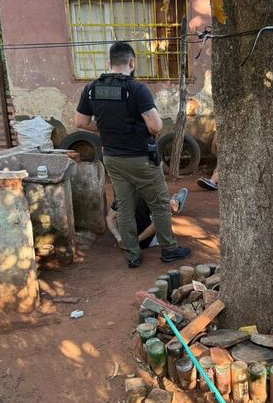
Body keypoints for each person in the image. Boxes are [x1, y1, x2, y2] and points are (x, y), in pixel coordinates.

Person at [74, 42, 191, 268]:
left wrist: (105, 128)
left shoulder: (91, 89)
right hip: (141, 159)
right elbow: (156, 126)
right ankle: (169, 249)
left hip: (112, 158)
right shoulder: (137, 89)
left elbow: (80, 122)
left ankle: (132, 254)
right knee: (159, 204)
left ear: (109, 63)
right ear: (131, 62)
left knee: (124, 207)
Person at [107, 188, 188, 250]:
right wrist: (136, 241)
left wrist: (118, 237)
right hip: (147, 242)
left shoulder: (121, 196)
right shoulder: (149, 195)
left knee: (153, 213)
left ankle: (172, 203)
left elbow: (109, 218)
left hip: (127, 243)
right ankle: (176, 204)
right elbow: (157, 224)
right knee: (163, 214)